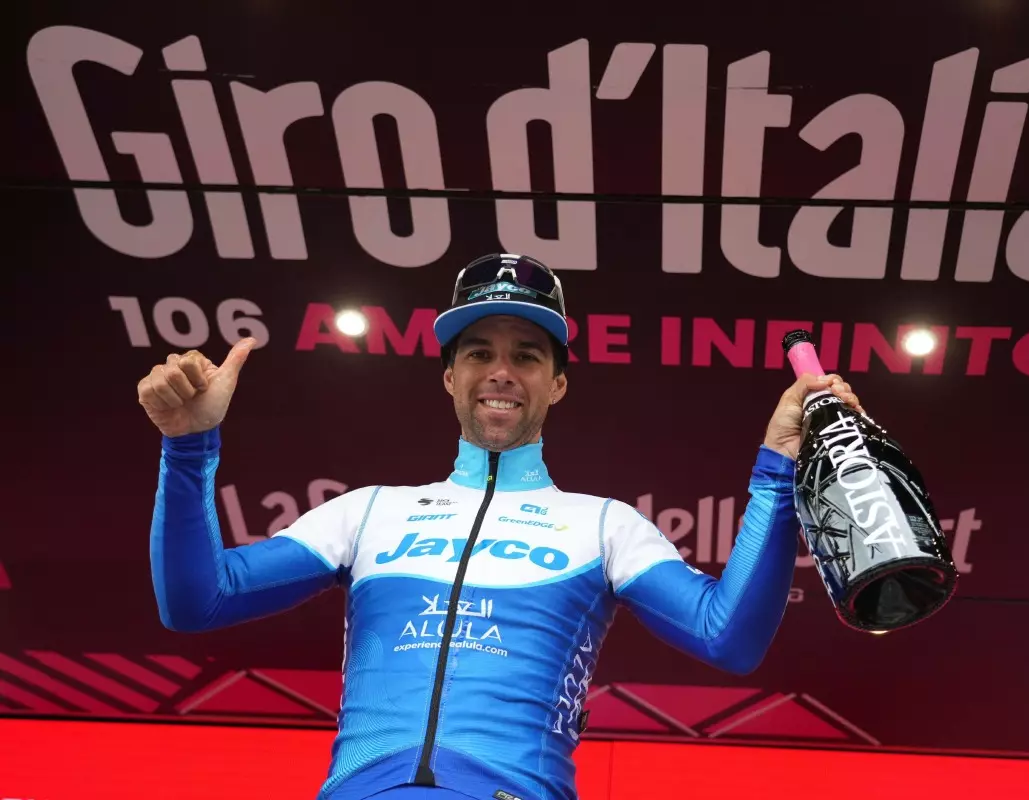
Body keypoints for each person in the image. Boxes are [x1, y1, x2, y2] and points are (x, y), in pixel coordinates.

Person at [138, 253, 864, 800]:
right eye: (479, 352)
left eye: (527, 355)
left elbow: (729, 638)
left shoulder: (605, 526)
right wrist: (188, 444)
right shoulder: (368, 511)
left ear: (559, 383)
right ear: (448, 376)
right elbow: (197, 600)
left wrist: (777, 469)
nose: (501, 371)